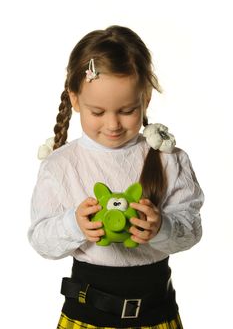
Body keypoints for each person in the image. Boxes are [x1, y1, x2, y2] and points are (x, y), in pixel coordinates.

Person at [28, 25, 204, 329]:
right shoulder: (61, 165)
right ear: (75, 99)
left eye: (126, 110)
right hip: (86, 316)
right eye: (97, 112)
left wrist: (162, 226)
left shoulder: (169, 159)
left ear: (145, 99)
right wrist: (74, 224)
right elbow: (41, 240)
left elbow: (192, 230)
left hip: (157, 314)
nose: (112, 124)